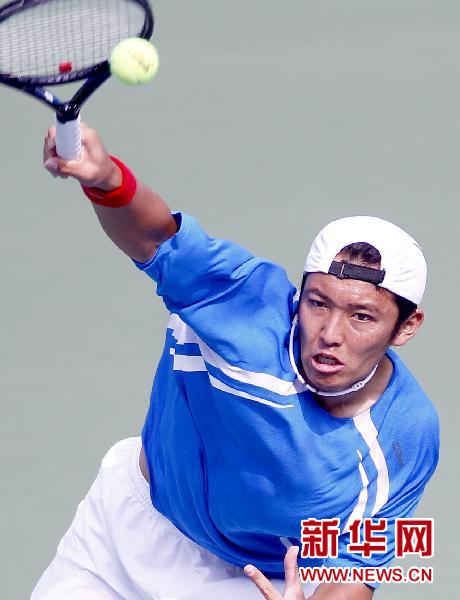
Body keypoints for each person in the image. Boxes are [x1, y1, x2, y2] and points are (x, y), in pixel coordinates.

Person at [32, 123, 439, 600]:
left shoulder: (405, 433)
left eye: (361, 316)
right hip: (131, 530)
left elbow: (356, 567)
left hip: (259, 580)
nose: (330, 334)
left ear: (406, 327)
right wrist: (105, 179)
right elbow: (155, 238)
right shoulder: (243, 303)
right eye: (318, 303)